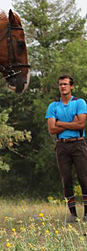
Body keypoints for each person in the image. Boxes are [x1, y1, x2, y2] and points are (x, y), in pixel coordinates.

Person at [45, 74, 87, 223]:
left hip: (78, 144)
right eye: (61, 84)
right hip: (62, 145)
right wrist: (71, 123)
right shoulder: (53, 106)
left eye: (65, 84)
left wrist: (60, 123)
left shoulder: (79, 103)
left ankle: (86, 213)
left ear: (71, 86)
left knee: (84, 178)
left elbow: (81, 124)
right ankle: (73, 214)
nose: (63, 87)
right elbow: (51, 129)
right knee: (66, 179)